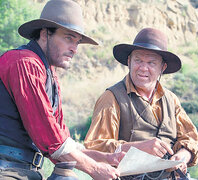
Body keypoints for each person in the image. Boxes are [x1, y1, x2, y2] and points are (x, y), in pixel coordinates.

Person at [0, 0, 125, 180]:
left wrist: (105, 158)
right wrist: (95, 169)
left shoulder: (48, 74)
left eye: (77, 42)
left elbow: (62, 140)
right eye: (68, 38)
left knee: (66, 176)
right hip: (6, 170)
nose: (74, 49)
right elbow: (51, 140)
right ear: (44, 34)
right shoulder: (25, 64)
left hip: (26, 170)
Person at [84, 28, 198, 179]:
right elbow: (94, 148)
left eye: (151, 62)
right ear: (129, 61)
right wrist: (138, 148)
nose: (143, 68)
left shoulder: (171, 100)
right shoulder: (111, 98)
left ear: (162, 68)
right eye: (138, 60)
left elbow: (189, 138)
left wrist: (182, 156)